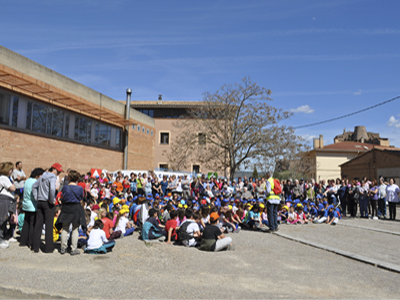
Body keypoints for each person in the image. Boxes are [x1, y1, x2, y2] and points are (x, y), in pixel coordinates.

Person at [32, 162, 63, 253]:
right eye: (58, 171)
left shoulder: (43, 176)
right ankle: (49, 248)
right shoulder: (52, 177)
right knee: (49, 225)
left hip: (40, 202)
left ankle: (35, 247)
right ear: (54, 169)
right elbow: (52, 189)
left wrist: (36, 197)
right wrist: (51, 199)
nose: (58, 173)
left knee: (38, 224)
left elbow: (34, 186)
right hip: (48, 203)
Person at [58, 170, 86, 255]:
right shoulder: (80, 188)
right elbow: (81, 198)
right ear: (77, 178)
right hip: (76, 208)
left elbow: (63, 196)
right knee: (75, 228)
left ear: (69, 177)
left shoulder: (65, 187)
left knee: (65, 227)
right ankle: (74, 248)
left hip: (66, 208)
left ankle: (63, 247)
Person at [19, 168, 45, 249]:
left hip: (26, 204)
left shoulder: (27, 181)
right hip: (32, 205)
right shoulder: (35, 182)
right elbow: (35, 195)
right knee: (32, 225)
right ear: (37, 175)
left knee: (26, 224)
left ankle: (23, 241)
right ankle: (30, 242)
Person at [0, 162, 16, 249]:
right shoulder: (4, 178)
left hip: (7, 200)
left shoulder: (5, 178)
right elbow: (13, 188)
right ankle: (0, 238)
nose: (12, 171)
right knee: (2, 219)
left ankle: (2, 237)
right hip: (4, 200)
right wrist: (11, 180)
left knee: (4, 219)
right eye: (11, 169)